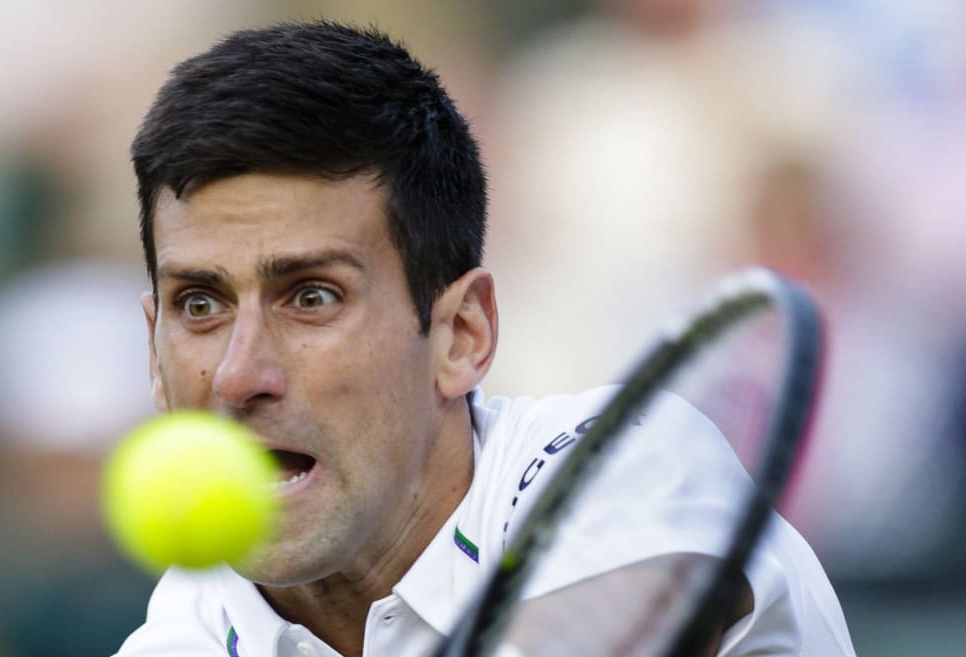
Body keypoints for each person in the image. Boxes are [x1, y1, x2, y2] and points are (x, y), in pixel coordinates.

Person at [113, 21, 855, 657]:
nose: (240, 374)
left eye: (312, 297)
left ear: (460, 335)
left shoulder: (624, 472)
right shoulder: (183, 633)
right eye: (200, 303)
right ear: (154, 351)